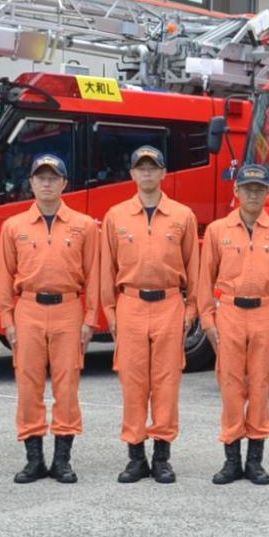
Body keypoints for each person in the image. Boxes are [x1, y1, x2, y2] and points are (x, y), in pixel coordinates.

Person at [98, 145, 200, 485]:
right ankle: (135, 456)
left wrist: (192, 308)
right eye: (140, 168)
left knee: (166, 382)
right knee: (133, 382)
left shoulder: (182, 215)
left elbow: (194, 267)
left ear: (163, 173)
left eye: (152, 168)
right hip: (130, 304)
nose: (146, 173)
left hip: (170, 304)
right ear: (131, 174)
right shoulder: (116, 216)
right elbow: (105, 267)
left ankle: (162, 456)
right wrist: (109, 310)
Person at [0, 154, 96, 485]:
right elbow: (3, 275)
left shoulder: (83, 225)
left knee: (67, 386)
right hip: (28, 309)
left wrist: (90, 318)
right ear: (32, 182)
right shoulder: (14, 226)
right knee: (28, 385)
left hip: (68, 309)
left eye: (54, 177)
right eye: (41, 177)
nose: (47, 183)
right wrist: (7, 319)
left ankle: (62, 460)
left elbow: (94, 275)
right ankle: (34, 459)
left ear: (65, 183)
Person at [196, 164, 269, 486]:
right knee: (230, 387)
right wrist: (207, 320)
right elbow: (203, 279)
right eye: (247, 188)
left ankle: (255, 461)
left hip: (266, 313)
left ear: (267, 193)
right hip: (229, 313)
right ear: (236, 191)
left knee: (261, 386)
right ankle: (230, 460)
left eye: (259, 188)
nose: (253, 193)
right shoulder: (217, 230)